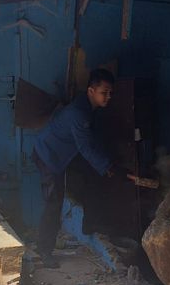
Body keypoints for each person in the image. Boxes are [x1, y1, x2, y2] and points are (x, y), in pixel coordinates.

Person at [32, 69, 132, 268]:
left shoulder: (86, 107)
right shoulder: (80, 113)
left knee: (90, 178)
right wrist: (109, 167)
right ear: (91, 91)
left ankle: (90, 223)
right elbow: (86, 147)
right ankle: (44, 250)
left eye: (111, 93)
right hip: (48, 157)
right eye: (104, 92)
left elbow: (90, 143)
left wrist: (107, 165)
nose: (109, 97)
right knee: (54, 203)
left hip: (60, 154)